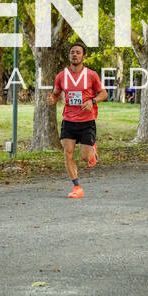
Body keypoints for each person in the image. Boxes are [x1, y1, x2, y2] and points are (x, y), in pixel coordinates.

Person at [47, 43, 108, 199]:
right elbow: (56, 93)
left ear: (84, 56)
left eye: (78, 52)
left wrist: (92, 101)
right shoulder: (61, 76)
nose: (75, 54)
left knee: (85, 157)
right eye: (72, 52)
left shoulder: (91, 75)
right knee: (67, 153)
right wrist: (52, 99)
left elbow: (104, 93)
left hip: (87, 121)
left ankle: (92, 152)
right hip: (68, 120)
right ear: (69, 56)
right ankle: (77, 187)